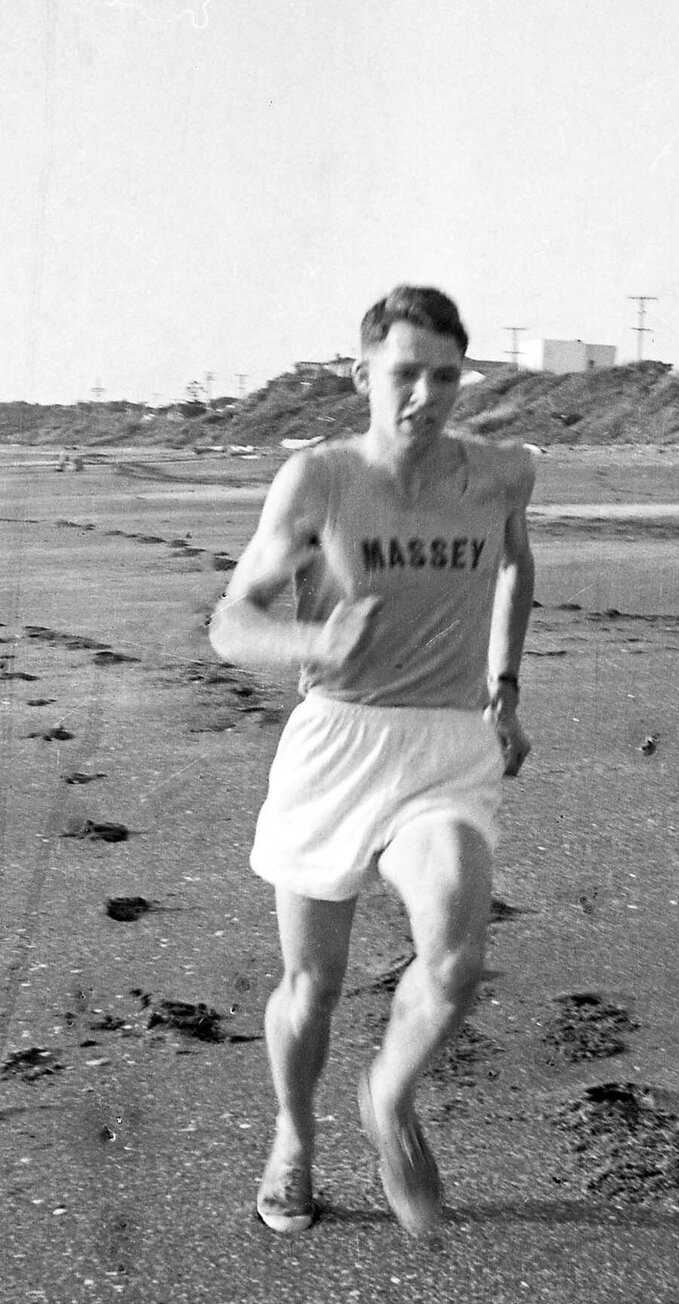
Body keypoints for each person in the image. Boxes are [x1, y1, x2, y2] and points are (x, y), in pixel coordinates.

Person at [209, 286, 536, 1237]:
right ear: (363, 375)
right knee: (312, 983)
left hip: (445, 745)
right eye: (405, 374)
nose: (425, 395)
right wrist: (312, 642)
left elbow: (517, 562)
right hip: (338, 745)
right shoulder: (318, 479)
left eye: (444, 376)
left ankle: (389, 1096)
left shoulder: (503, 472)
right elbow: (233, 620)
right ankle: (292, 1138)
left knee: (456, 956)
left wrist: (504, 687)